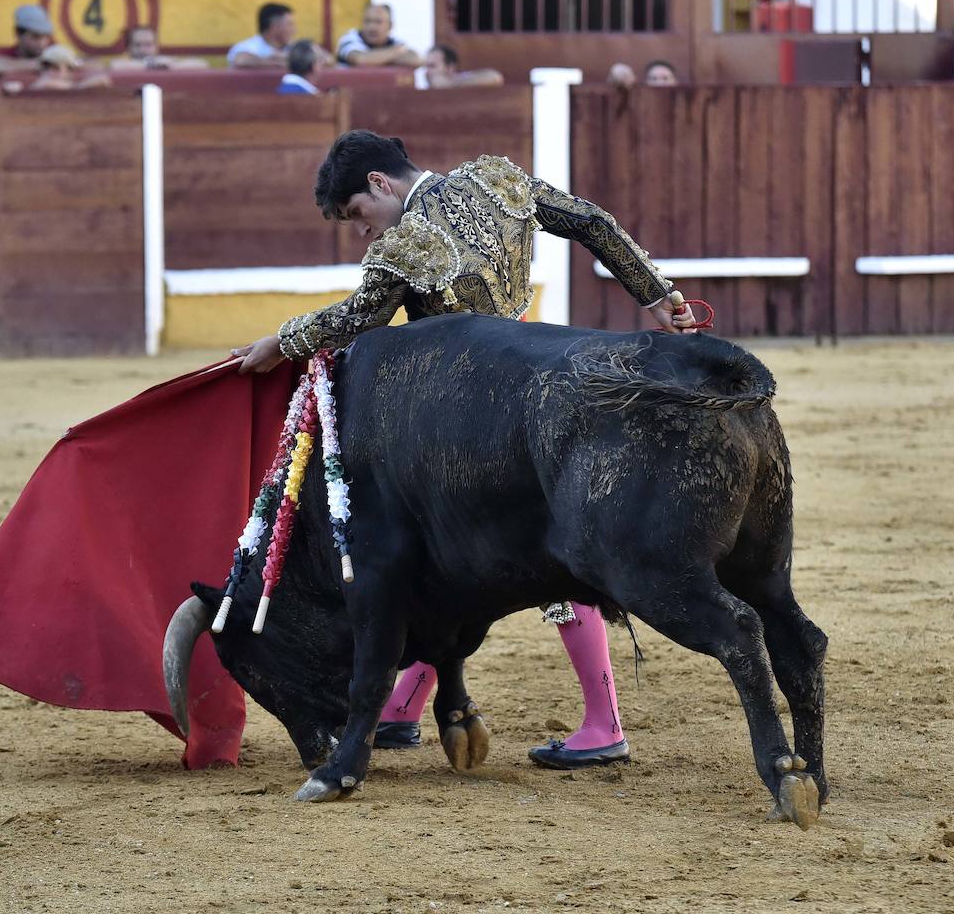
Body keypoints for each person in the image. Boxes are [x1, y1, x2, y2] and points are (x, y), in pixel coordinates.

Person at [232, 131, 696, 768]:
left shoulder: (408, 244)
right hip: (538, 380)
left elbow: (357, 319)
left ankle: (603, 720)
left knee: (510, 554)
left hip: (465, 422)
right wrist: (657, 294)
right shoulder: (497, 182)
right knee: (457, 555)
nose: (362, 234)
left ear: (379, 185)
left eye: (356, 217)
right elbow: (592, 221)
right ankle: (408, 706)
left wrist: (280, 341)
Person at [337, 4, 422, 68]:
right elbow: (360, 60)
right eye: (367, 21)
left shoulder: (395, 41)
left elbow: (416, 60)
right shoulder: (350, 38)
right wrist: (395, 53)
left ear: (390, 26)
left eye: (378, 22)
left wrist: (376, 58)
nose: (372, 27)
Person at [227, 2, 296, 69]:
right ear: (274, 27)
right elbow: (240, 60)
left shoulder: (293, 47)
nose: (293, 31)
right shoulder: (248, 46)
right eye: (289, 25)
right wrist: (272, 61)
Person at [111, 25, 207, 71]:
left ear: (156, 47)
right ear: (129, 48)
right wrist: (154, 65)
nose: (143, 50)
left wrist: (169, 66)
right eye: (137, 45)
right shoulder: (121, 64)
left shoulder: (166, 62)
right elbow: (116, 65)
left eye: (148, 45)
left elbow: (201, 64)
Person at [416, 43, 504, 89]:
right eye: (425, 67)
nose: (427, 71)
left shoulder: (461, 81)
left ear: (449, 68)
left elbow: (494, 77)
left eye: (432, 66)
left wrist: (449, 85)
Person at [28, 44, 112, 91]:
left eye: (55, 68)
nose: (49, 72)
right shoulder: (43, 83)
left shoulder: (71, 83)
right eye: (47, 67)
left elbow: (104, 79)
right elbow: (44, 84)